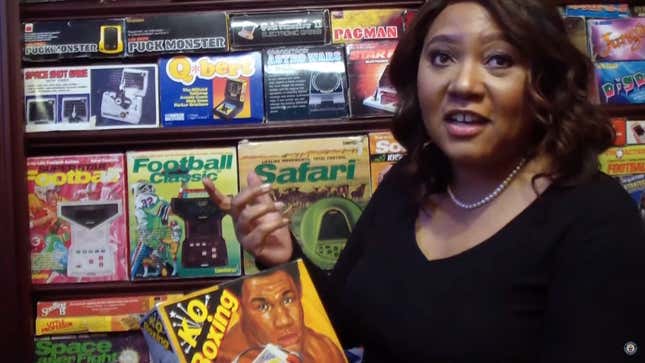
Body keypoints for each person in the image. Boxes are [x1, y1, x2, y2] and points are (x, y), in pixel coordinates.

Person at [204, 1, 645, 361]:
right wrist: (281, 255)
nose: (463, 84)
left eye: (498, 60)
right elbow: (347, 320)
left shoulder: (596, 220)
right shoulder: (408, 181)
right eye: (442, 57)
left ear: (544, 85)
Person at [215, 264, 346, 363]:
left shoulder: (325, 351)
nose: (284, 321)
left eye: (288, 300)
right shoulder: (220, 357)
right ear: (239, 308)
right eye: (262, 307)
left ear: (299, 290)